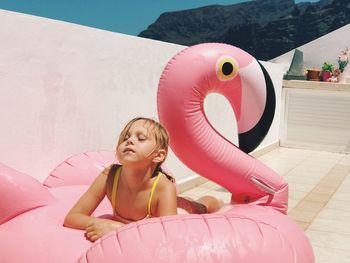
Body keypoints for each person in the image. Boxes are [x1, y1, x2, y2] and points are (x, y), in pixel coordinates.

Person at [64, 117, 223, 242]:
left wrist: (118, 230)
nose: (130, 140)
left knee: (198, 207)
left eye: (140, 138)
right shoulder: (109, 176)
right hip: (150, 220)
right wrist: (100, 224)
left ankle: (215, 202)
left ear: (158, 155)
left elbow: (169, 234)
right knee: (181, 201)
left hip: (173, 216)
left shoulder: (163, 187)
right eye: (125, 138)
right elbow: (72, 217)